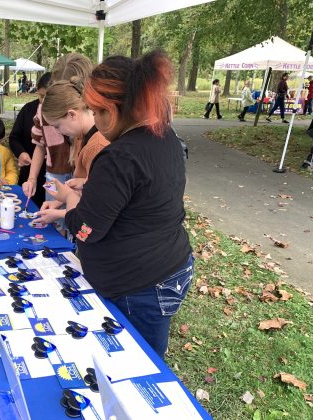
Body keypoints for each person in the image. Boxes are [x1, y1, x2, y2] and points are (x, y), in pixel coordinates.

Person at [49, 52, 193, 359]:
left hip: (142, 285)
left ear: (113, 111)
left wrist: (73, 200)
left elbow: (86, 230)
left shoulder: (120, 157)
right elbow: (143, 193)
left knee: (137, 363)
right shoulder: (163, 136)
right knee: (146, 355)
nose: (96, 119)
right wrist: (92, 186)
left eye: (97, 111)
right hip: (165, 268)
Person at [35, 77, 110, 225]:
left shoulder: (96, 146)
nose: (59, 132)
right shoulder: (83, 137)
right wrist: (60, 201)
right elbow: (90, 186)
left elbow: (98, 204)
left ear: (72, 115)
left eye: (57, 126)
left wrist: (59, 212)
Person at [22, 53, 93, 202]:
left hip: (82, 178)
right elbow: (40, 146)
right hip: (53, 174)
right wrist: (32, 179)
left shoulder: (95, 122)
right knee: (53, 218)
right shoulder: (46, 109)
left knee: (72, 218)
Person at [8, 72, 51, 207]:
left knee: (47, 211)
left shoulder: (62, 117)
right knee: (26, 207)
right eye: (41, 96)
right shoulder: (28, 110)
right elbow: (14, 137)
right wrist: (21, 153)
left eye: (48, 98)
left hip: (51, 176)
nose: (43, 102)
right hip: (29, 172)